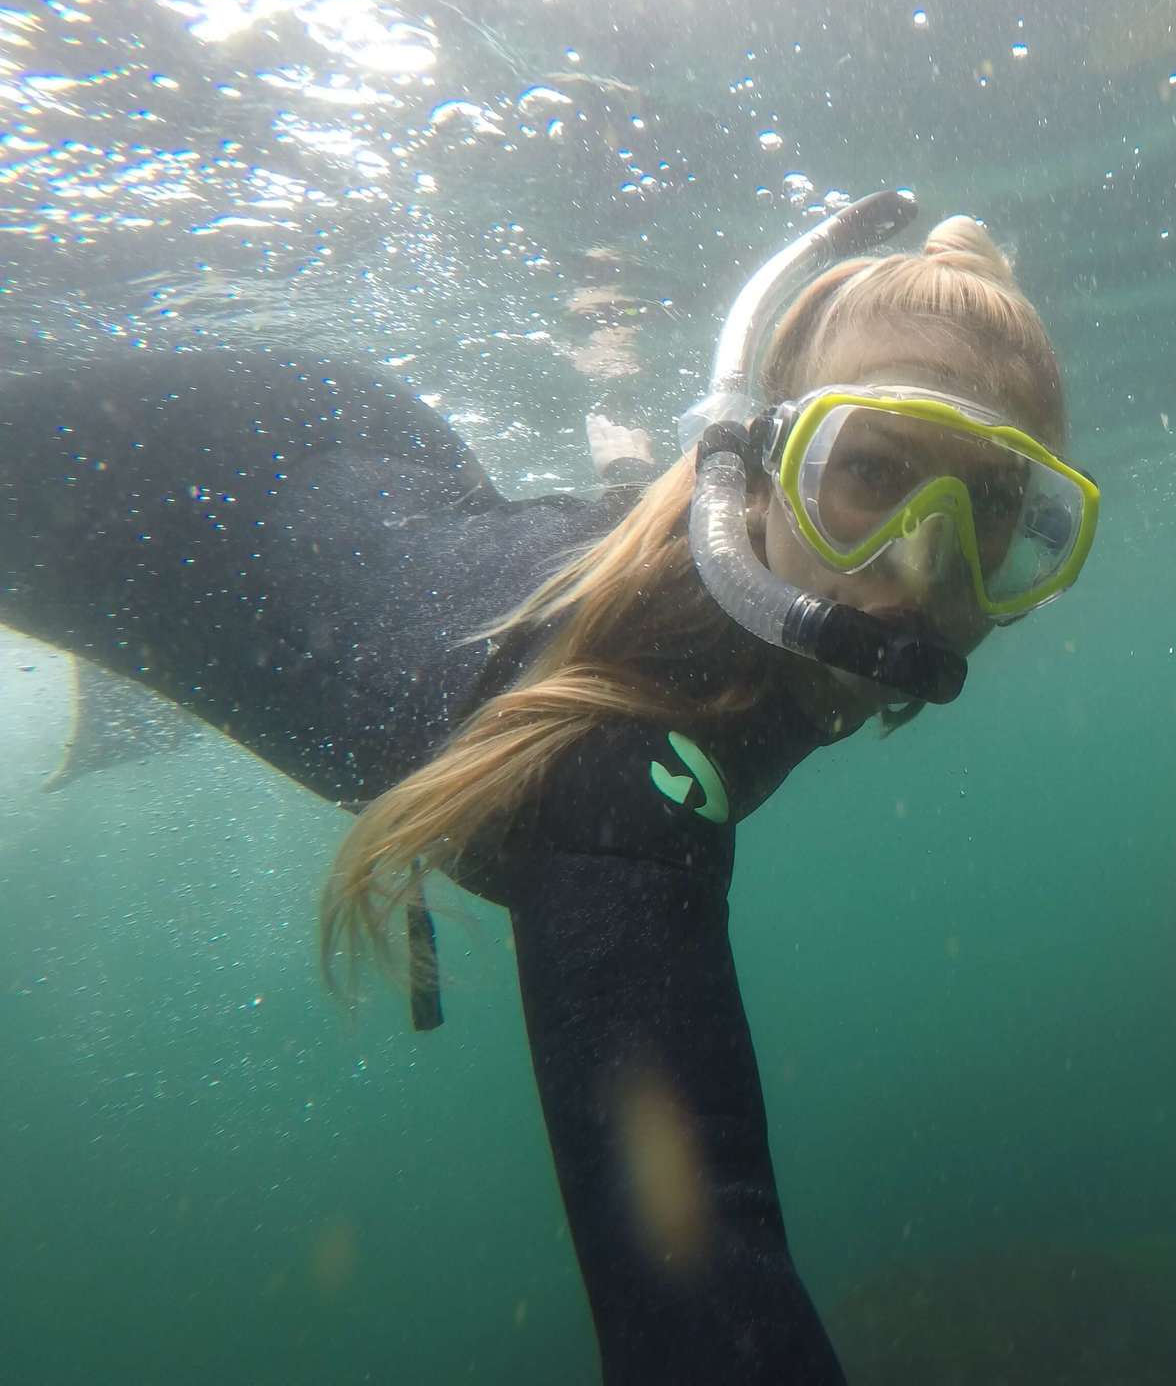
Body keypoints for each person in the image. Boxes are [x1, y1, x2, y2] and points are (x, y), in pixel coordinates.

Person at [0, 193, 1100, 1384]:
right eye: (871, 468)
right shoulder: (616, 772)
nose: (917, 572)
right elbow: (694, 1275)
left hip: (349, 449)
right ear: (767, 463)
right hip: (148, 486)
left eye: (990, 507)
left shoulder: (732, 561)